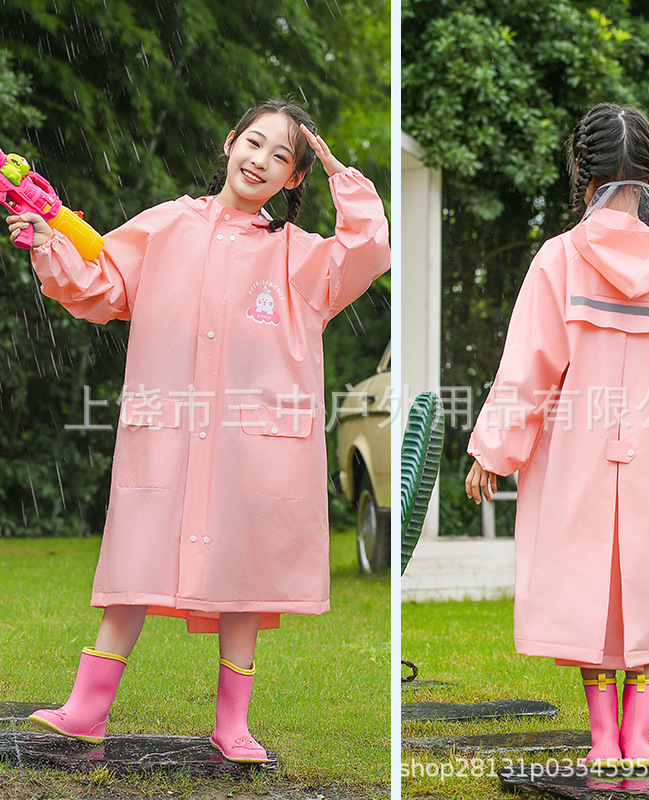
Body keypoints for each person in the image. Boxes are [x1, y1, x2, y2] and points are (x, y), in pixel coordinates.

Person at [6, 99, 390, 763]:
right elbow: (103, 282)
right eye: (255, 143)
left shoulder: (300, 257)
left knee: (243, 578)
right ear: (230, 141)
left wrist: (342, 175)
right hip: (169, 431)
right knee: (135, 563)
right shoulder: (167, 226)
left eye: (282, 157)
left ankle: (232, 725)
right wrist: (48, 239)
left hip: (252, 448)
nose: (261, 161)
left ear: (295, 178)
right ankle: (86, 709)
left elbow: (368, 250)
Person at [464, 103, 649, 771]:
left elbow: (529, 366)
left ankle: (601, 737)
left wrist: (494, 449)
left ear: (584, 180)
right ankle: (639, 736)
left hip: (579, 451)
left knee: (584, 582)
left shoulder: (560, 259)